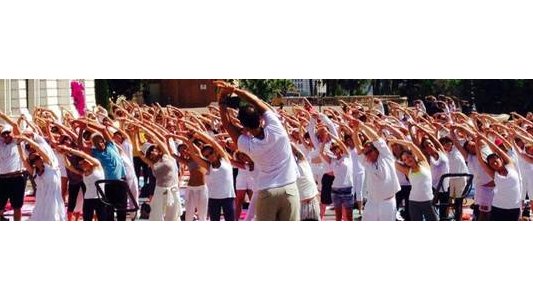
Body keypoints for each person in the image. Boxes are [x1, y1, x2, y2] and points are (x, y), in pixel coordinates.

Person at [216, 80, 300, 221]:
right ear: (260, 119)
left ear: (244, 126)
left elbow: (227, 125)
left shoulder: (248, 145)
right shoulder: (276, 127)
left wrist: (222, 101)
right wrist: (235, 90)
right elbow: (256, 101)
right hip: (289, 189)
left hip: (267, 191)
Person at [352, 119, 400, 221]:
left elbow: (375, 138)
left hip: (388, 203)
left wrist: (362, 125)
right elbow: (358, 147)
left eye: (370, 151)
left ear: (376, 149)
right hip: (372, 203)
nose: (367, 154)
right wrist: (355, 131)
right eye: (366, 153)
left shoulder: (386, 156)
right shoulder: (367, 162)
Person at [135, 123, 181, 221]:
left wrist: (146, 127)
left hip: (173, 189)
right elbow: (139, 152)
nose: (151, 153)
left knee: (174, 217)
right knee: (157, 217)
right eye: (148, 153)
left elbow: (159, 138)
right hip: (160, 191)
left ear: (157, 149)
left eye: (152, 149)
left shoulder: (167, 155)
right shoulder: (151, 163)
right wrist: (135, 133)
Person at [15, 135, 65, 221]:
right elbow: (23, 159)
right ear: (32, 163)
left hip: (53, 198)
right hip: (41, 199)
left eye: (37, 157)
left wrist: (27, 139)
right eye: (33, 160)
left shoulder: (50, 165)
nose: (36, 160)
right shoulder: (34, 172)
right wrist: (18, 144)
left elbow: (38, 148)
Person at [475, 134, 521, 221]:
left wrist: (484, 137)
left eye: (496, 161)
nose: (495, 164)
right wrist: (477, 143)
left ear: (501, 159)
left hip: (514, 207)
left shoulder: (511, 165)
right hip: (498, 207)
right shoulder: (494, 174)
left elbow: (498, 150)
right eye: (492, 164)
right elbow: (480, 160)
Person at [390, 139, 438, 221]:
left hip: (428, 201)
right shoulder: (407, 171)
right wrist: (389, 145)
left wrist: (395, 141)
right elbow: (390, 160)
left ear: (413, 155)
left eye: (408, 157)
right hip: (413, 202)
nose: (407, 160)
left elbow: (411, 144)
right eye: (404, 160)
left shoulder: (424, 163)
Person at [56, 145, 106, 221]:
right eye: (81, 163)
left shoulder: (97, 166)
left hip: (100, 198)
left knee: (102, 219)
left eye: (84, 161)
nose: (83, 164)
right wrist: (64, 155)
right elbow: (69, 166)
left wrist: (69, 149)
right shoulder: (83, 173)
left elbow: (84, 155)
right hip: (88, 199)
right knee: (87, 219)